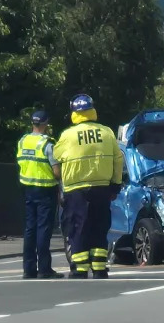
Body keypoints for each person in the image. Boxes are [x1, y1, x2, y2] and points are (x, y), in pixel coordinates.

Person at [52, 94, 123, 279]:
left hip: (76, 190)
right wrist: (115, 186)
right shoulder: (107, 133)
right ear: (92, 110)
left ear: (74, 112)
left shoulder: (67, 135)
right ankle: (99, 268)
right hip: (102, 188)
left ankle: (80, 268)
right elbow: (118, 159)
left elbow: (55, 157)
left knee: (77, 227)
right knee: (99, 227)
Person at [17, 109, 63, 279]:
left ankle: (28, 269)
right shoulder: (48, 144)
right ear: (45, 124)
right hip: (46, 190)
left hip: (28, 189)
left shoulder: (23, 141)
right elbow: (56, 171)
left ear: (32, 123)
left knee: (30, 229)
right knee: (44, 229)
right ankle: (44, 269)